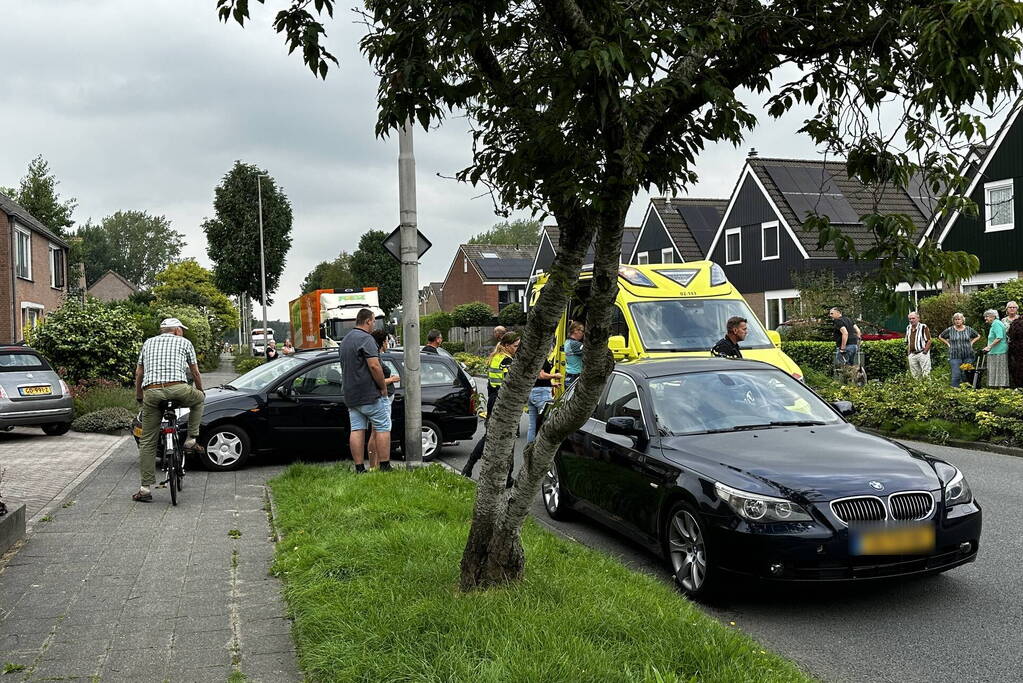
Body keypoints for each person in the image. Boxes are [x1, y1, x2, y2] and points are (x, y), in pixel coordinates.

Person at [133, 318, 206, 503]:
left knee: (148, 440)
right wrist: (200, 389)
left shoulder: (148, 342)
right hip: (178, 389)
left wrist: (139, 395)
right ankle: (191, 439)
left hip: (152, 392)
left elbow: (139, 373)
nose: (182, 332)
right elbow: (195, 372)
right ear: (176, 331)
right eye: (182, 330)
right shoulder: (184, 342)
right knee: (199, 400)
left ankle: (145, 489)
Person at [461, 332, 520, 481]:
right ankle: (507, 476)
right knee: (506, 437)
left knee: (491, 436)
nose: (517, 349)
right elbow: (510, 384)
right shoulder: (506, 360)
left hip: (493, 399)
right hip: (503, 401)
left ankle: (471, 465)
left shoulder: (495, 357)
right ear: (506, 346)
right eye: (515, 346)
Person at [339, 308, 392, 472]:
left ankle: (359, 468)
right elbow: (375, 366)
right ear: (368, 321)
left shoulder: (345, 340)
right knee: (383, 426)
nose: (374, 324)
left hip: (350, 394)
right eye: (374, 321)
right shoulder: (366, 339)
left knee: (357, 429)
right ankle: (384, 466)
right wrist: (383, 387)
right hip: (369, 394)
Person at [367, 329, 402, 465]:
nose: (388, 344)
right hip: (383, 397)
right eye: (387, 341)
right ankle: (378, 464)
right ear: (382, 342)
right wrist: (391, 380)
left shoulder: (377, 356)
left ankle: (374, 465)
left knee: (376, 431)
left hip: (385, 396)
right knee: (379, 431)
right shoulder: (375, 357)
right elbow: (376, 379)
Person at [937, 313, 981, 388]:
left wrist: (972, 342)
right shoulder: (950, 330)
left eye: (959, 319)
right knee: (956, 375)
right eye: (956, 319)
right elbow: (940, 336)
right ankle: (954, 393)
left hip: (968, 355)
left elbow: (978, 335)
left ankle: (967, 392)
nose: (957, 321)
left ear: (962, 320)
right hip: (954, 355)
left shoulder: (968, 329)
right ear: (954, 321)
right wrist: (948, 344)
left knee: (966, 375)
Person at [527, 354, 561, 443]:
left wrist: (552, 384)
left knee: (532, 425)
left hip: (531, 391)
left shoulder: (530, 356)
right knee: (547, 422)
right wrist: (554, 375)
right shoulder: (540, 356)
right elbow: (540, 375)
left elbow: (535, 378)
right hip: (541, 394)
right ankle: (541, 449)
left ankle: (529, 448)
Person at [981, 309, 1009, 388]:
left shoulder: (996, 324)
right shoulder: (995, 324)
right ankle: (996, 390)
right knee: (995, 370)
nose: (985, 318)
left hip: (999, 351)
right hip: (995, 351)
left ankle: (1000, 390)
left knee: (999, 371)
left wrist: (989, 346)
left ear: (993, 317)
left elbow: (999, 337)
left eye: (987, 316)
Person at [905, 311, 932, 378]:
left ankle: (928, 388)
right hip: (912, 354)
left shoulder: (923, 327)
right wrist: (909, 354)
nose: (911, 320)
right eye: (910, 319)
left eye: (913, 318)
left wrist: (925, 352)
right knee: (915, 375)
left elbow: (929, 340)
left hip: (922, 353)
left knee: (926, 373)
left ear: (918, 318)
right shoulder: (908, 328)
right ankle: (918, 388)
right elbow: (908, 342)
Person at [563, 322, 584, 386]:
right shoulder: (575, 344)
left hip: (569, 375)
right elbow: (590, 351)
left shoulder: (567, 342)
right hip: (575, 376)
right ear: (575, 331)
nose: (583, 333)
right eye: (582, 331)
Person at [1008, 317, 1023, 389]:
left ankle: (1019, 386)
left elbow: (1010, 334)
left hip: (1016, 348)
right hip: (1017, 348)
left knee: (1017, 367)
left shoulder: (1015, 323)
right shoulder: (1017, 323)